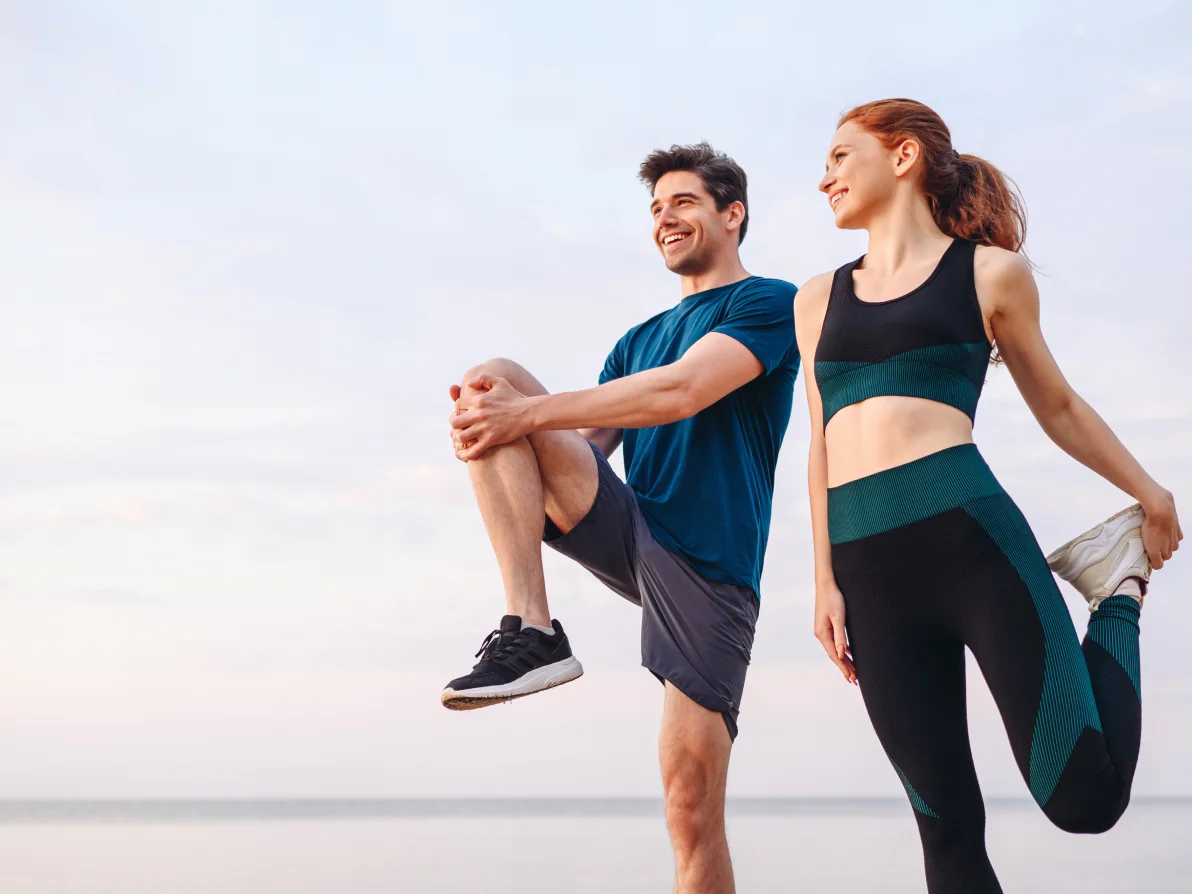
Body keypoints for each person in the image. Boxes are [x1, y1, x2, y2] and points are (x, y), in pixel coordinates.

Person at [794, 98, 1182, 893]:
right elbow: (819, 443)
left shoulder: (987, 274)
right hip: (868, 575)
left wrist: (1150, 494)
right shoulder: (814, 299)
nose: (823, 175)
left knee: (1085, 798)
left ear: (901, 157)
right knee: (946, 835)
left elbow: (1060, 407)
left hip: (970, 545)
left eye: (839, 155)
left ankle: (1115, 592)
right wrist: (824, 581)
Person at [443, 143, 799, 893]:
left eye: (685, 203)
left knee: (689, 804)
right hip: (631, 529)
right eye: (657, 209)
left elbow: (679, 393)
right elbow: (584, 451)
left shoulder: (767, 302)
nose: (666, 219)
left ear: (732, 215)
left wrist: (527, 413)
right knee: (490, 383)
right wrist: (494, 430)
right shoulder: (634, 342)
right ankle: (532, 629)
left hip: (710, 565)